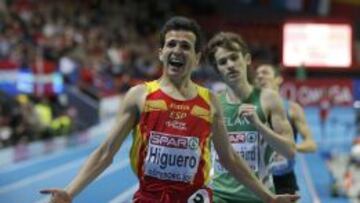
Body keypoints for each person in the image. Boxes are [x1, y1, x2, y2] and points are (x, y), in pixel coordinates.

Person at [40, 17, 299, 203]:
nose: (178, 50)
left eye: (186, 46)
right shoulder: (140, 96)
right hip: (148, 198)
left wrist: (268, 197)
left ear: (196, 58)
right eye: (172, 44)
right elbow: (106, 152)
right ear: (161, 53)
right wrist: (70, 192)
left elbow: (229, 159)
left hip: (194, 199)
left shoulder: (210, 101)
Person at [205, 32, 298, 203]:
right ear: (218, 69)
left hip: (259, 197)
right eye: (223, 62)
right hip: (219, 196)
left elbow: (289, 151)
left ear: (247, 59)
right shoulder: (212, 103)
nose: (230, 65)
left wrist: (259, 125)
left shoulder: (268, 99)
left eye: (234, 57)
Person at [255, 64, 317, 195]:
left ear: (278, 79)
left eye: (265, 72)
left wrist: (289, 147)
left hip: (284, 180)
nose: (260, 76)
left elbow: (311, 144)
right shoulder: (250, 109)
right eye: (257, 75)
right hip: (257, 180)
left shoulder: (293, 109)